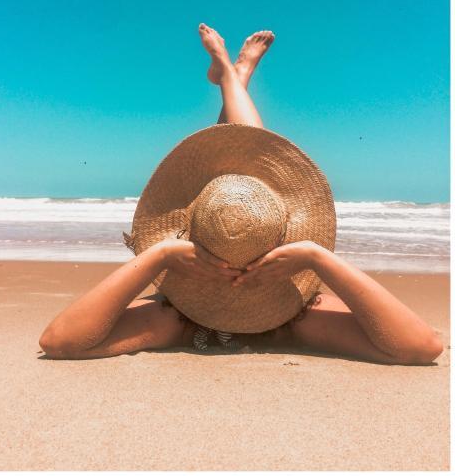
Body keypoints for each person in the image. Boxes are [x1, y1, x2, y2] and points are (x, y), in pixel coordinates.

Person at [39, 24, 444, 365]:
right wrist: (316, 257)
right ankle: (235, 80)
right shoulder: (295, 316)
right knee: (242, 180)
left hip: (208, 283)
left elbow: (423, 347)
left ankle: (234, 80)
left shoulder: (176, 319)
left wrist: (159, 256)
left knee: (240, 176)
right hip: (256, 282)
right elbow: (58, 342)